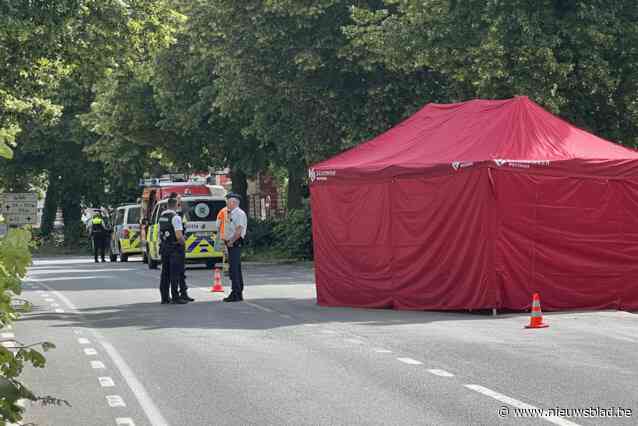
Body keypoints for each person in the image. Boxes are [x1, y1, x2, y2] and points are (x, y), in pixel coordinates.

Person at [158, 196, 188, 304]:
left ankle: (164, 298)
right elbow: (179, 235)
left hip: (164, 247)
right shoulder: (176, 217)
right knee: (175, 274)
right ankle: (176, 297)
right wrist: (184, 243)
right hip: (175, 248)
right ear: (176, 205)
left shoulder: (162, 216)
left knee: (165, 273)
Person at [222, 193, 247, 302]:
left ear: (234, 202)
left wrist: (231, 241)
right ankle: (237, 292)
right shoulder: (232, 213)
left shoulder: (239, 213)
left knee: (234, 269)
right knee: (234, 268)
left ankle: (236, 293)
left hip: (235, 243)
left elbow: (238, 230)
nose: (227, 203)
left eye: (228, 201)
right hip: (231, 243)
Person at [215, 202, 229, 275]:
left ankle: (226, 269)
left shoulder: (222, 211)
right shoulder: (237, 211)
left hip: (224, 236)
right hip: (234, 236)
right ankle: (233, 268)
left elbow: (217, 225)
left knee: (226, 254)